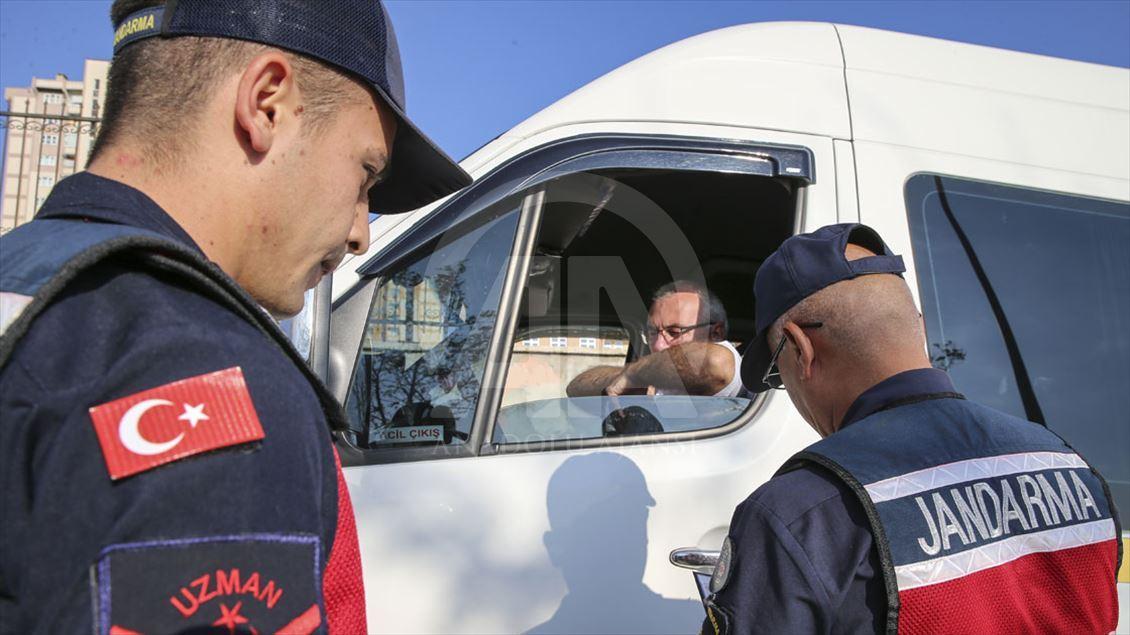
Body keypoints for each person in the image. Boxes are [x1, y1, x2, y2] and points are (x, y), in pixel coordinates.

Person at [0, 1, 470, 633]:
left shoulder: (23, 279)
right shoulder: (221, 389)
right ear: (267, 103)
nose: (360, 232)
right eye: (365, 174)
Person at [702, 224, 1121, 634]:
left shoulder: (800, 514)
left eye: (777, 373)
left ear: (800, 348)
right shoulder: (1070, 467)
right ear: (918, 327)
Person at [566, 280, 744, 398]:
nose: (658, 345)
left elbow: (715, 363)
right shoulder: (653, 374)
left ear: (716, 333)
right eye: (652, 332)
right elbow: (575, 388)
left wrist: (636, 374)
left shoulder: (731, 365)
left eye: (674, 332)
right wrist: (628, 377)